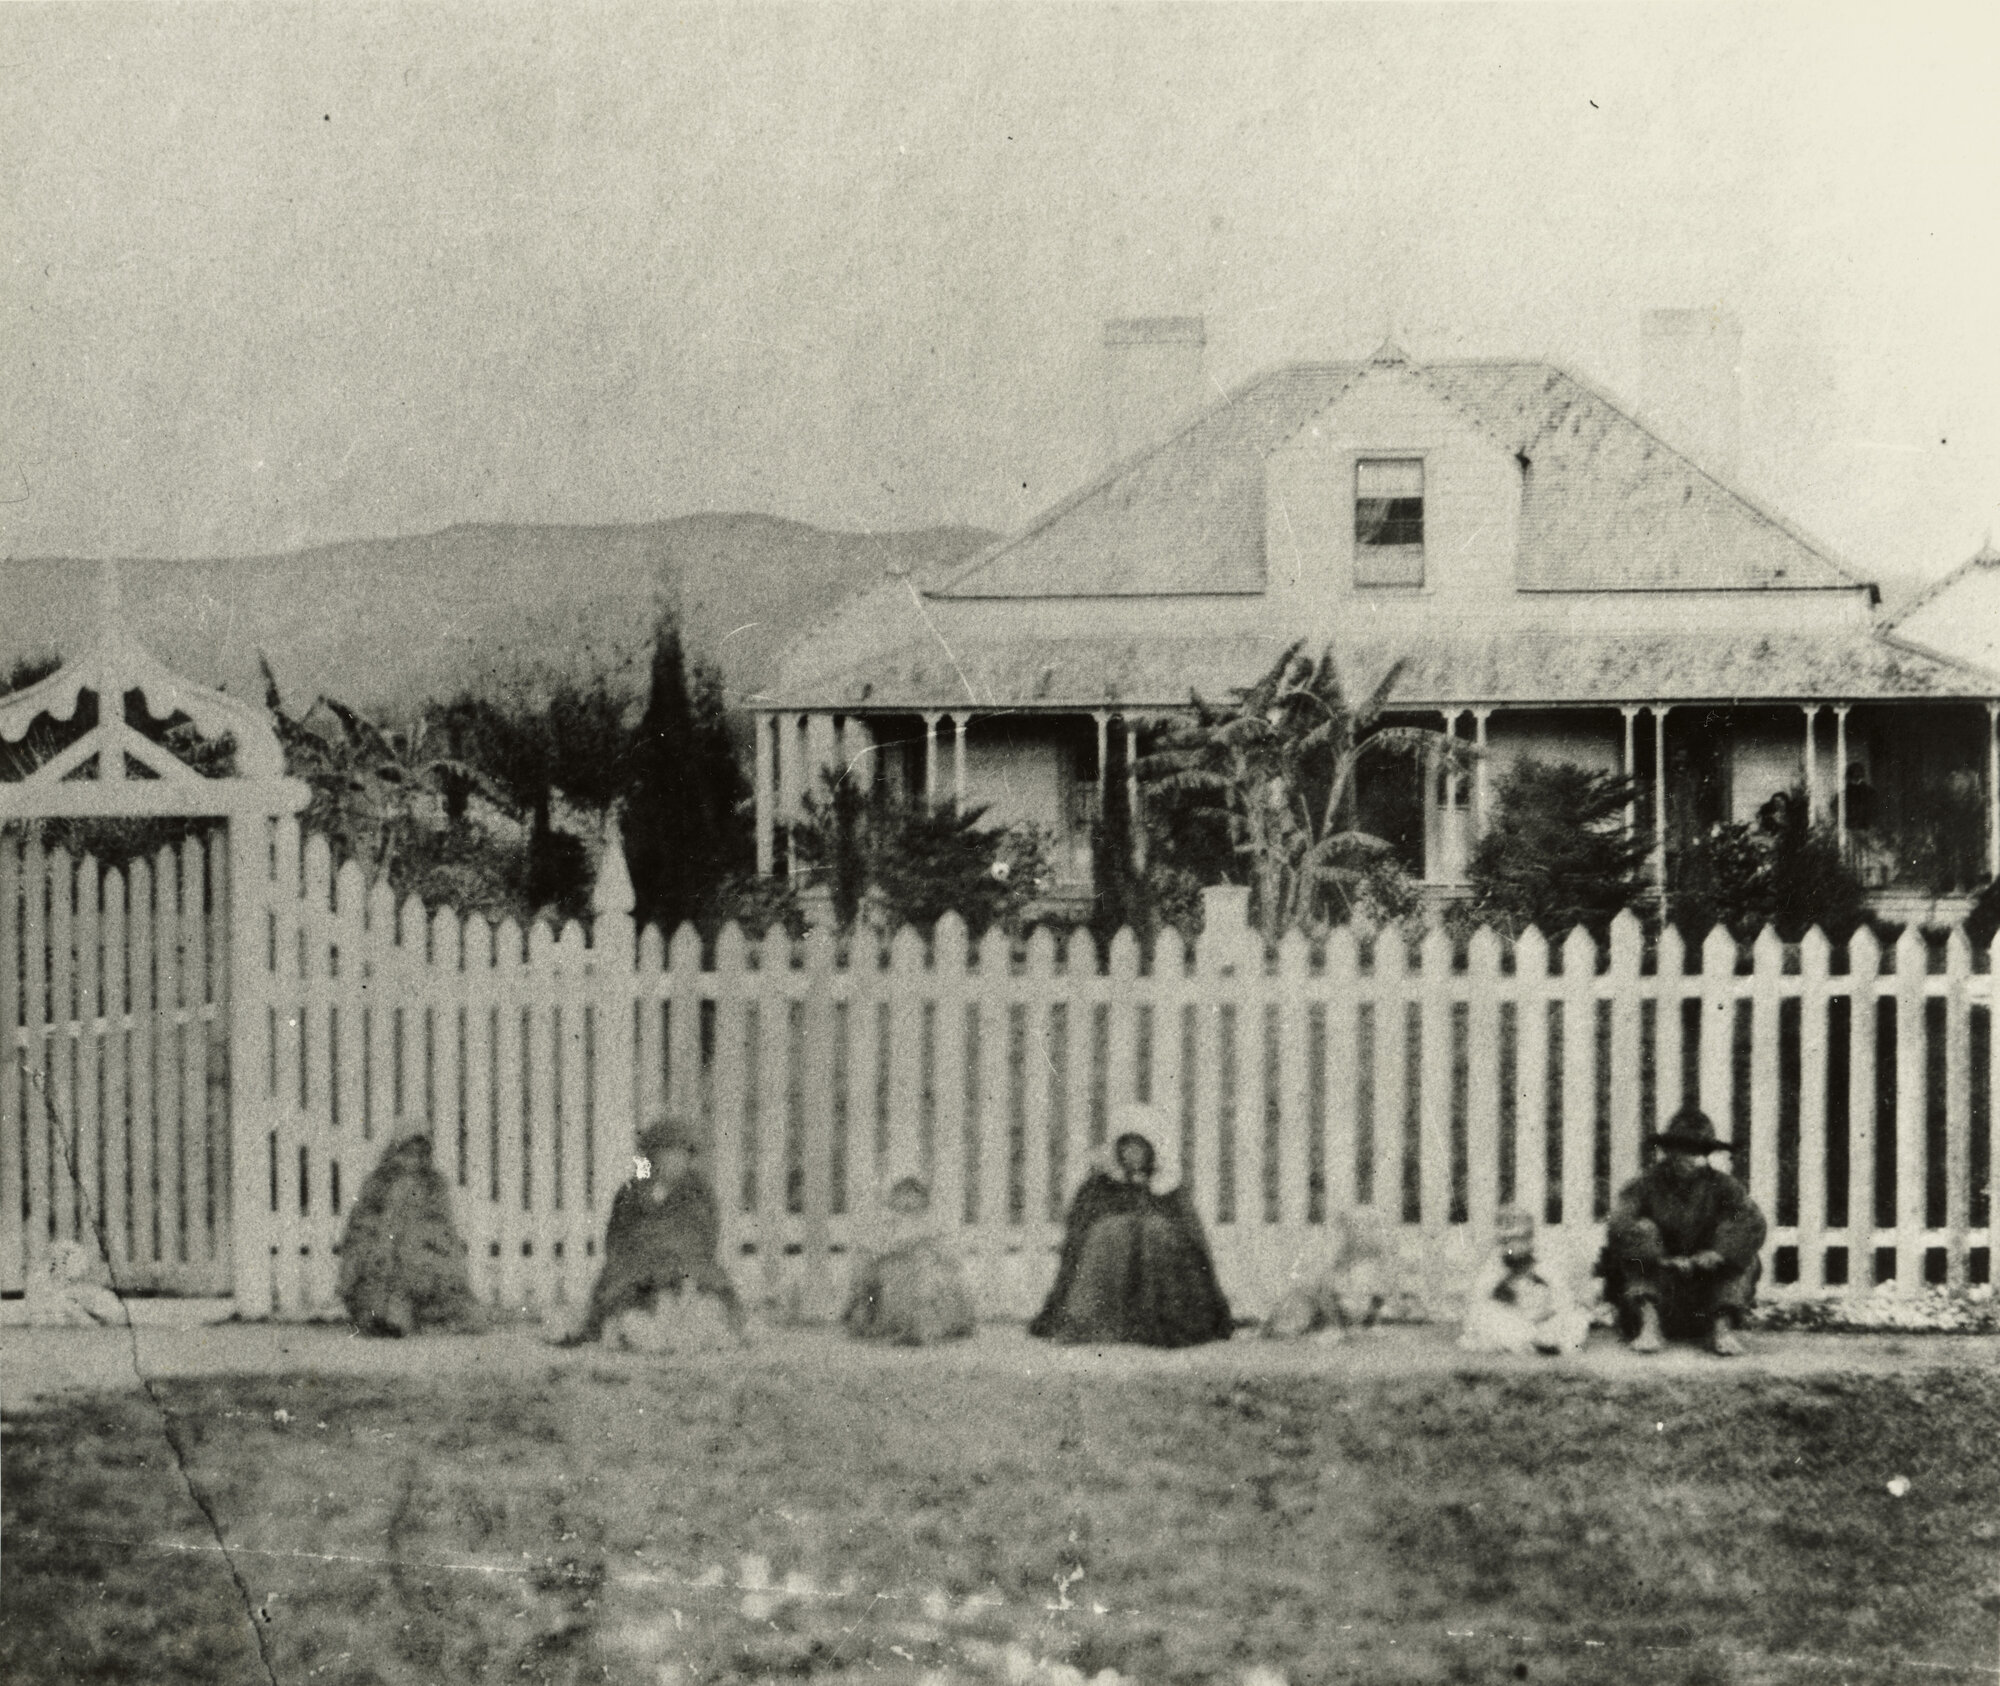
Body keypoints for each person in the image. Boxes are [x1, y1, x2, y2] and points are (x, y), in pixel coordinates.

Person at [1027, 1108, 1232, 1348]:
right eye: (1127, 1147)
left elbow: (1192, 1238)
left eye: (1140, 1147)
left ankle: (1159, 1321)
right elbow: (1079, 1236)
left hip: (1159, 1277)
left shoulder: (1169, 1190)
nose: (1133, 1154)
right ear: (1117, 1150)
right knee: (1110, 1233)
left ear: (1152, 1150)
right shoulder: (1098, 1187)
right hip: (1110, 1278)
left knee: (1157, 1233)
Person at [1597, 1107, 1766, 1357]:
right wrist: (1660, 1257)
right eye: (1683, 1149)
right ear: (1668, 1150)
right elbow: (1620, 1225)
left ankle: (1722, 1329)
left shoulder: (1724, 1187)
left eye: (1698, 1151)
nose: (1690, 1158)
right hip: (1657, 1287)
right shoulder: (1643, 1185)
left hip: (1706, 1291)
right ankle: (1650, 1326)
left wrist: (1717, 1254)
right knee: (1639, 1236)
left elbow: (1751, 1222)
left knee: (1746, 1258)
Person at [572, 1117, 745, 1346]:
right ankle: (632, 1326)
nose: (674, 1160)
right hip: (639, 1266)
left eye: (681, 1153)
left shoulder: (698, 1192)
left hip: (685, 1264)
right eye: (666, 1153)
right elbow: (616, 1237)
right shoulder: (633, 1191)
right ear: (651, 1156)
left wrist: (678, 1251)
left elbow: (707, 1234)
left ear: (689, 1157)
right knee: (624, 1297)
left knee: (702, 1297)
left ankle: (693, 1327)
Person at [841, 1175, 977, 1346]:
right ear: (892, 1201)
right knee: (879, 1284)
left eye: (914, 1194)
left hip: (926, 1283)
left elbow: (950, 1258)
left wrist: (926, 1248)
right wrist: (893, 1250)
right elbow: (872, 1253)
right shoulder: (886, 1225)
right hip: (893, 1283)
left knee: (930, 1284)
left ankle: (923, 1328)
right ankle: (888, 1326)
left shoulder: (933, 1226)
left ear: (925, 1203)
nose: (908, 1202)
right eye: (902, 1195)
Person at [1458, 1205, 1590, 1356]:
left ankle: (1538, 1344)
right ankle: (1534, 1345)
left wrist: (1545, 1311)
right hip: (1512, 1322)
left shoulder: (1544, 1265)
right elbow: (1477, 1300)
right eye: (1505, 1241)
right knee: (1483, 1315)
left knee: (1577, 1318)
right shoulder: (1494, 1266)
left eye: (1518, 1239)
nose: (1511, 1246)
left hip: (1543, 1322)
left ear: (1530, 1239)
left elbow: (1563, 1300)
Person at [1260, 1206, 1389, 1341]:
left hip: (1333, 1315)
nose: (1361, 1232)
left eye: (1371, 1226)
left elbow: (1374, 1300)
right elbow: (1326, 1297)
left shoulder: (1373, 1265)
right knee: (1305, 1297)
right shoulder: (1336, 1264)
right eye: (1355, 1227)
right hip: (1313, 1312)